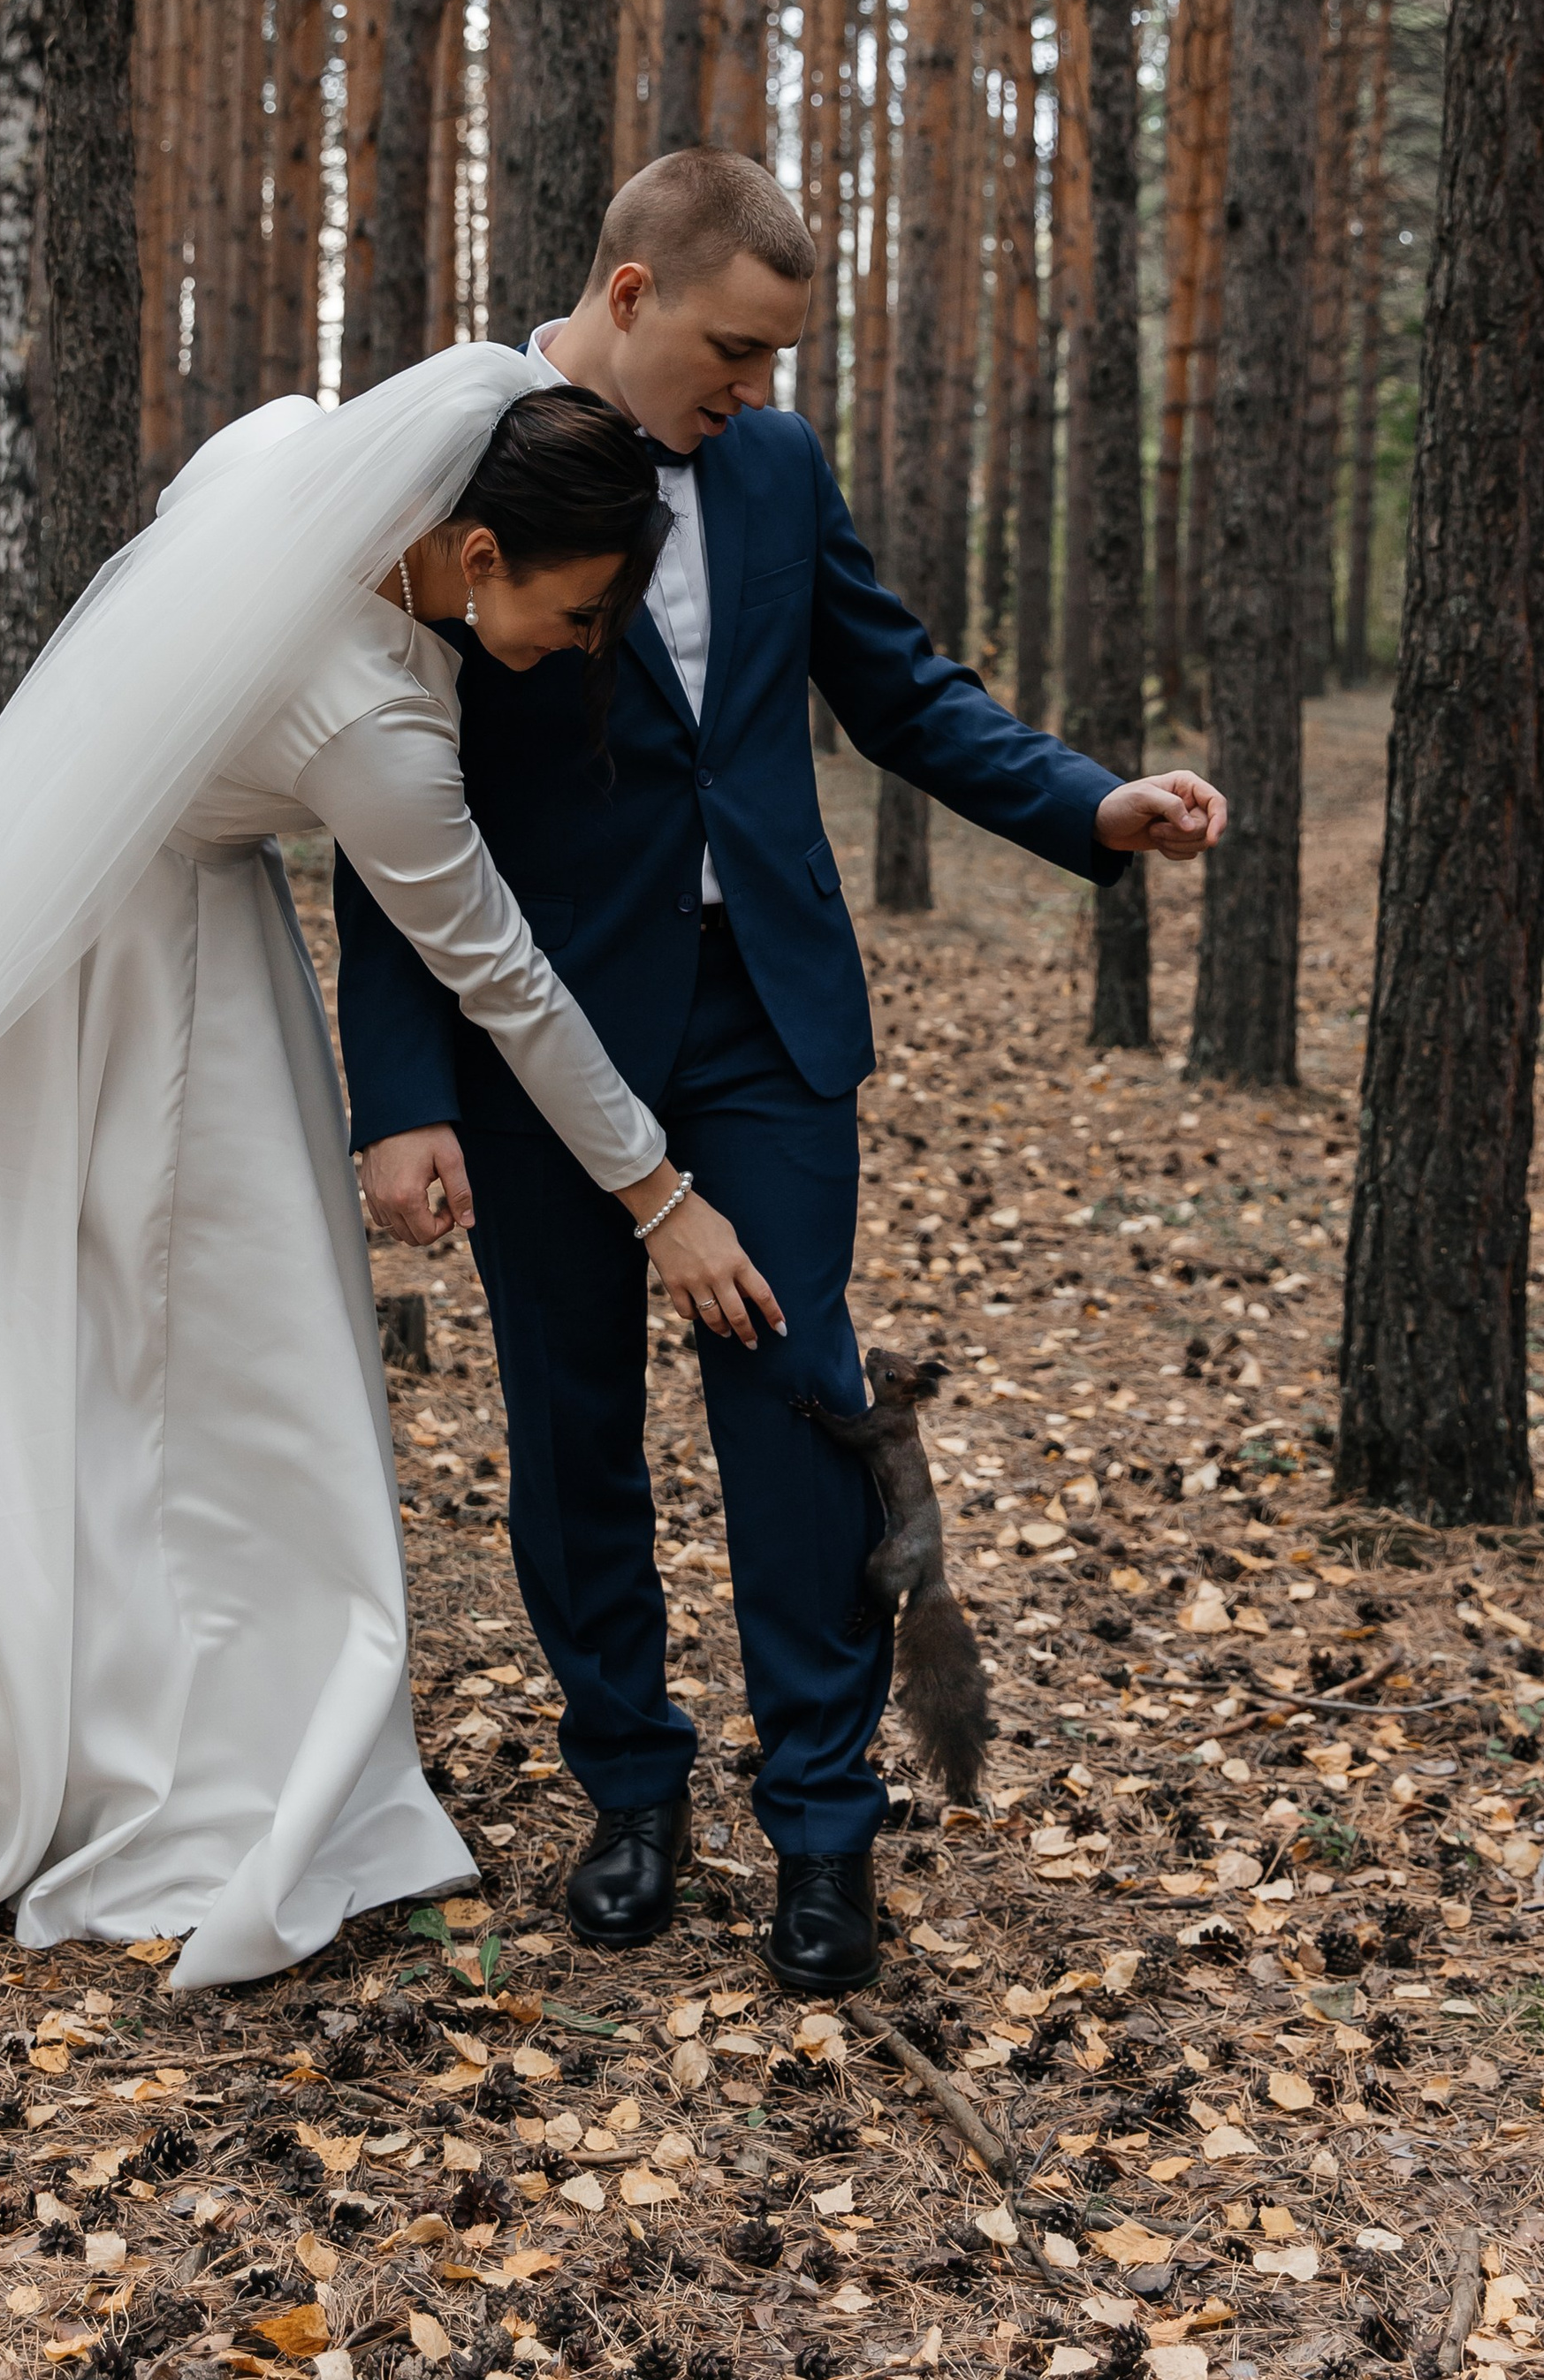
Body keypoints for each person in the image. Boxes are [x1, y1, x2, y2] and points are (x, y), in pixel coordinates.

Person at [0, 348, 757, 1992]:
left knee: (57, 1333)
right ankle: (167, 1752)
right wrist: (659, 1196)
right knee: (201, 1355)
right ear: (476, 555)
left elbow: (188, 532)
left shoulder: (292, 461)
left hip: (41, 890)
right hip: (148, 964)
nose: (582, 647)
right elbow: (506, 982)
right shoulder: (377, 721)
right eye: (578, 611)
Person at [342, 150, 1226, 1994]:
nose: (755, 390)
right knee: (570, 1423)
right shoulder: (449, 472)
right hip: (542, 1035)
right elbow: (381, 794)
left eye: (776, 362)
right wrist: (402, 1089)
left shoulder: (774, 466)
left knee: (801, 1402)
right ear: (633, 294)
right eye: (735, 350)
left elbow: (896, 685)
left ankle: (823, 1824)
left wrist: (1088, 803)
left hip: (769, 1017)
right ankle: (627, 1791)